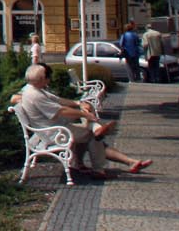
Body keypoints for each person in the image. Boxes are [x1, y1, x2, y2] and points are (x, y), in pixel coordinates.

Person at [15, 64, 151, 176]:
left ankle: (96, 135)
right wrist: (85, 114)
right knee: (92, 136)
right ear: (41, 79)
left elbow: (58, 101)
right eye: (47, 77)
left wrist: (79, 104)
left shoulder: (34, 90)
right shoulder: (35, 95)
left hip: (54, 128)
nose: (49, 80)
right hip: (55, 133)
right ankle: (98, 166)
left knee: (92, 130)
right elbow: (60, 111)